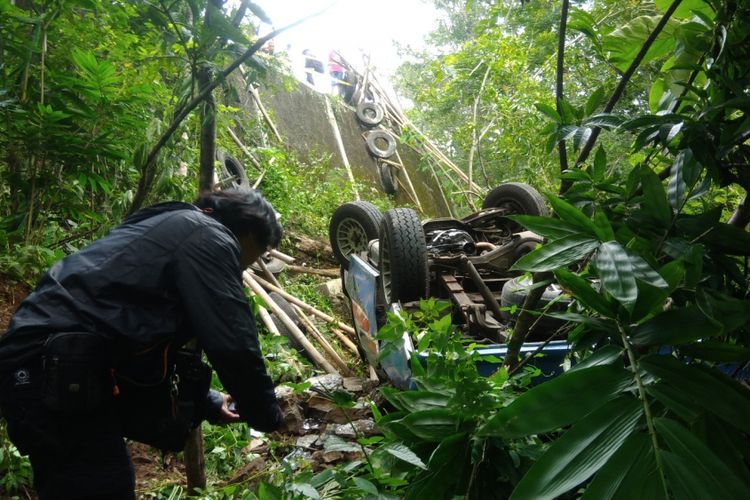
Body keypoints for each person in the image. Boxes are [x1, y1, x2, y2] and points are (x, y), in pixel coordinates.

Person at [0, 188, 284, 499]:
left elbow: (142, 344)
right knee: (102, 484)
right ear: (246, 234)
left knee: (86, 481)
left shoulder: (168, 226)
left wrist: (208, 400)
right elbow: (233, 342)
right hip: (56, 363)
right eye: (250, 258)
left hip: (48, 361)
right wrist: (268, 415)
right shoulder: (209, 237)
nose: (242, 269)